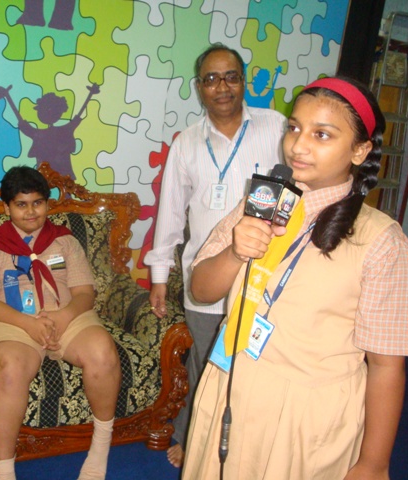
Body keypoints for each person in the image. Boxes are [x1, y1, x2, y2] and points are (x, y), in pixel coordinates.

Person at [183, 77, 408, 479]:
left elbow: (385, 366)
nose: (298, 145)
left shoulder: (381, 241)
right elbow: (201, 291)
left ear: (360, 150)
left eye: (321, 134)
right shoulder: (263, 200)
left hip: (305, 416)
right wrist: (236, 252)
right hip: (231, 382)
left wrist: (374, 464)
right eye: (294, 128)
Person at [143, 43, 286, 467]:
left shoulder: (277, 127)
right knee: (205, 363)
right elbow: (170, 213)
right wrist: (158, 278)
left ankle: (251, 439)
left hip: (265, 273)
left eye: (230, 77)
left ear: (243, 81)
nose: (221, 87)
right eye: (211, 79)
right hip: (206, 277)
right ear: (199, 87)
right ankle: (192, 435)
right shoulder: (186, 143)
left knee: (260, 364)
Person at [0, 166, 121, 480]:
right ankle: (3, 471)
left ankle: (100, 448)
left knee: (103, 352)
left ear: (47, 204)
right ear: (7, 207)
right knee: (10, 368)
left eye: (37, 203)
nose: (31, 211)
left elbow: (84, 294)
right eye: (21, 204)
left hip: (67, 315)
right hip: (10, 320)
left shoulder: (64, 241)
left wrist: (63, 316)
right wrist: (28, 324)